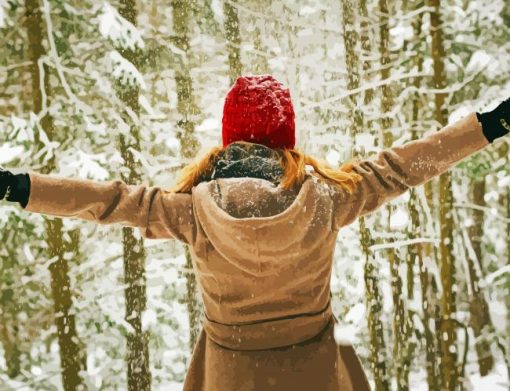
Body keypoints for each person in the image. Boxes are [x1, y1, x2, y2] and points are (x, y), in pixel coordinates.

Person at [1, 74, 508, 390]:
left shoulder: (192, 210)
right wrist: (488, 124)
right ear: (287, 140)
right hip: (315, 377)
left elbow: (109, 201)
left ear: (228, 139)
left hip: (230, 379)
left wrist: (22, 187)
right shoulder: (327, 198)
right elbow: (402, 167)